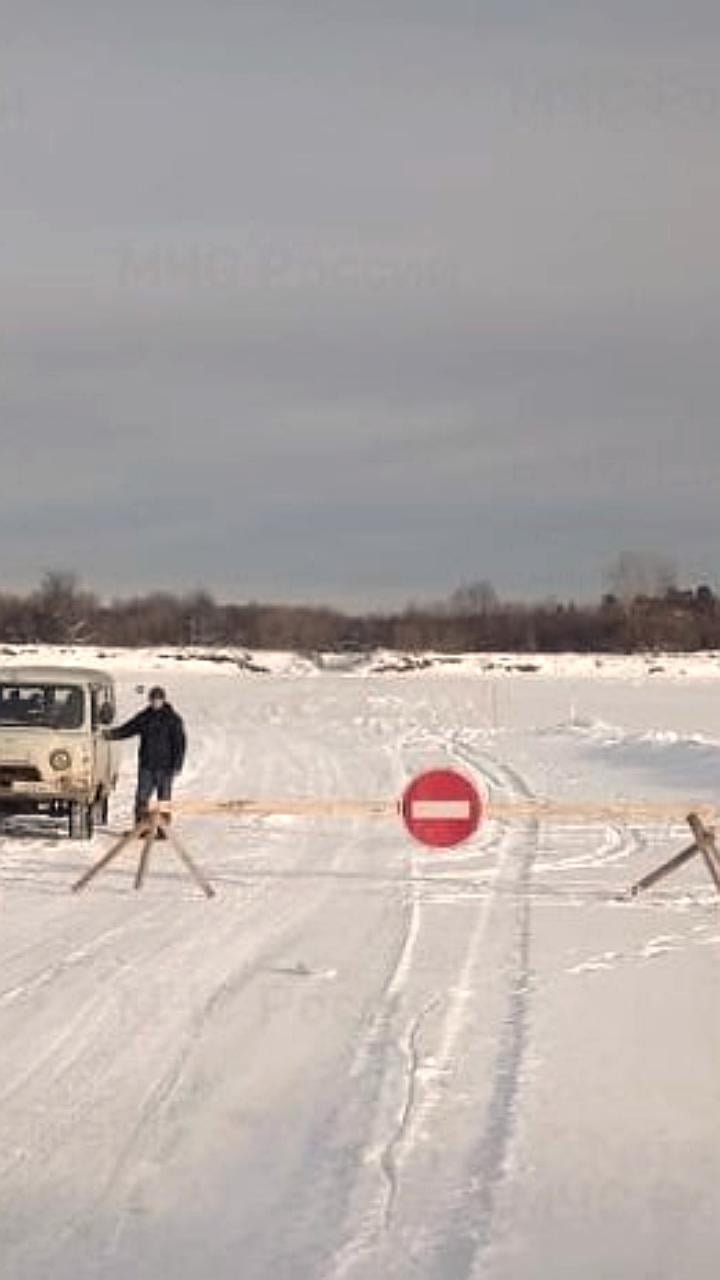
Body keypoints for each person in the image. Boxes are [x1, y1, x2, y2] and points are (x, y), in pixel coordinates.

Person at [105, 686, 186, 826]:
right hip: (147, 766)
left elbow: (180, 744)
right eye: (153, 700)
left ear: (163, 700)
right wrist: (112, 734)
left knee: (164, 800)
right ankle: (140, 827)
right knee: (142, 798)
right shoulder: (145, 717)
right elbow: (129, 729)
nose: (156, 703)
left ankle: (162, 829)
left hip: (165, 767)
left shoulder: (173, 719)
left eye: (158, 700)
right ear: (150, 700)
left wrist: (177, 765)